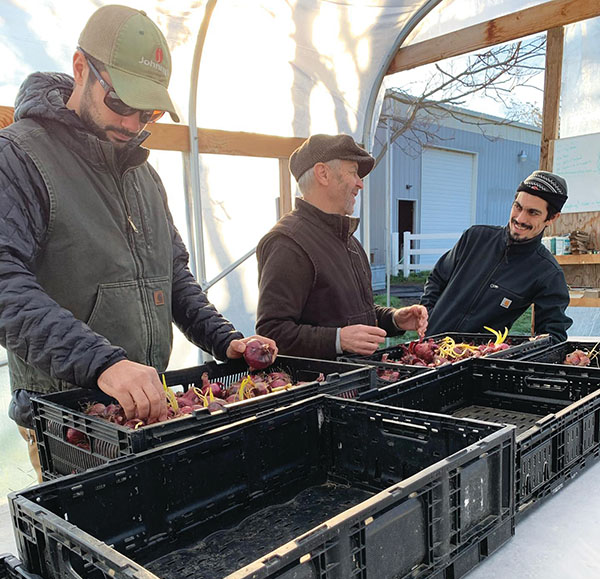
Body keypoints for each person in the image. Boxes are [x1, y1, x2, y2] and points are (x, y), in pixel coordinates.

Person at [0, 5, 276, 481]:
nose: (132, 124)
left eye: (146, 112)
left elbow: (173, 276)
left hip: (148, 411)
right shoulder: (18, 156)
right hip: (68, 421)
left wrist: (225, 340)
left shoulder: (143, 174)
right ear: (81, 68)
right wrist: (102, 363)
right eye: (122, 103)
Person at [256, 133, 428, 359]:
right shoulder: (288, 243)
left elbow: (351, 317)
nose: (360, 183)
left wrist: (394, 319)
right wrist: (337, 340)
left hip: (358, 385)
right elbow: (271, 333)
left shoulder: (350, 242)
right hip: (321, 390)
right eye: (353, 172)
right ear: (323, 173)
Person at [421, 170, 573, 342]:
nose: (520, 218)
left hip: (474, 364)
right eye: (518, 207)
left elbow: (552, 335)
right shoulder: (475, 237)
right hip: (427, 350)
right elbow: (437, 279)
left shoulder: (547, 273)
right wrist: (427, 319)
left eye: (533, 212)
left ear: (552, 218)